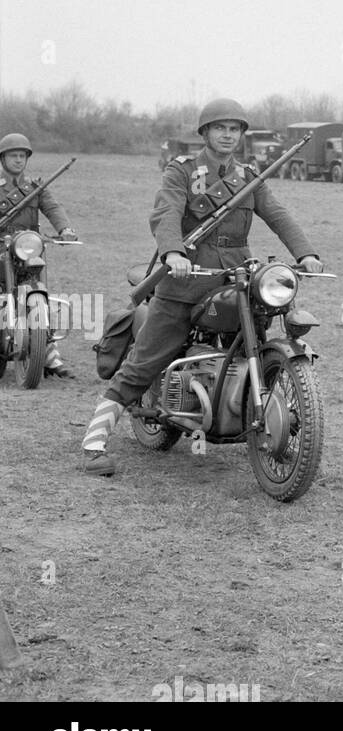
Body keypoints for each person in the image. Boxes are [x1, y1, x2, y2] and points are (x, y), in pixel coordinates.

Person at [80, 98, 323, 476]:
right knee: (144, 362)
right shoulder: (182, 170)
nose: (228, 135)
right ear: (205, 133)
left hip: (236, 277)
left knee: (256, 340)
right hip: (187, 279)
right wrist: (174, 254)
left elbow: (276, 213)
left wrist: (305, 253)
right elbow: (167, 212)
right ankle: (94, 442)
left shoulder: (248, 176)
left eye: (235, 129)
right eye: (220, 128)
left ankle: (260, 426)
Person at [0, 132, 79, 378]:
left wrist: (65, 229)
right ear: (3, 159)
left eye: (22, 156)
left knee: (39, 293)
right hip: (1, 249)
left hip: (28, 249)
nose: (18, 160)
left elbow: (53, 207)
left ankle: (47, 353)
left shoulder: (36, 188)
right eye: (13, 155)